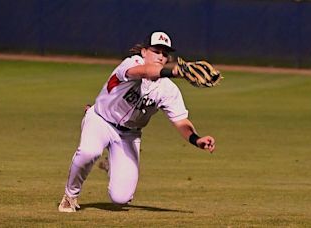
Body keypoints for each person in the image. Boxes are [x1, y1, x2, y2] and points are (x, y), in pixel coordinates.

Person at [58, 31, 216, 212]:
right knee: (88, 152)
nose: (161, 56)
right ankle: (70, 196)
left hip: (128, 135)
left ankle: (112, 163)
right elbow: (145, 72)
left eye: (165, 54)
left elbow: (181, 121)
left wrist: (196, 139)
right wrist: (174, 71)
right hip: (100, 120)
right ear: (144, 52)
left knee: (121, 199)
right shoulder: (131, 63)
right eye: (156, 51)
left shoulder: (168, 90)